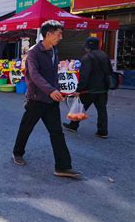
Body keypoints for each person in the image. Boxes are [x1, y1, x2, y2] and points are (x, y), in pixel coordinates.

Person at [12, 20, 81, 179]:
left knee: (57, 133)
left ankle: (63, 166)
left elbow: (54, 74)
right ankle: (17, 153)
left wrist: (65, 90)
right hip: (36, 99)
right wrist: (50, 90)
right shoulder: (33, 52)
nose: (61, 37)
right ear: (48, 34)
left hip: (51, 101)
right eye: (59, 34)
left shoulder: (54, 50)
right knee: (26, 128)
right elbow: (34, 75)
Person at [63, 37, 113, 138]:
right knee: (102, 110)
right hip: (103, 89)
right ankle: (102, 131)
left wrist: (78, 90)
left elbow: (84, 76)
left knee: (80, 108)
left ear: (88, 47)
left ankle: (73, 125)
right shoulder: (104, 55)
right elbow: (109, 71)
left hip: (89, 90)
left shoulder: (87, 58)